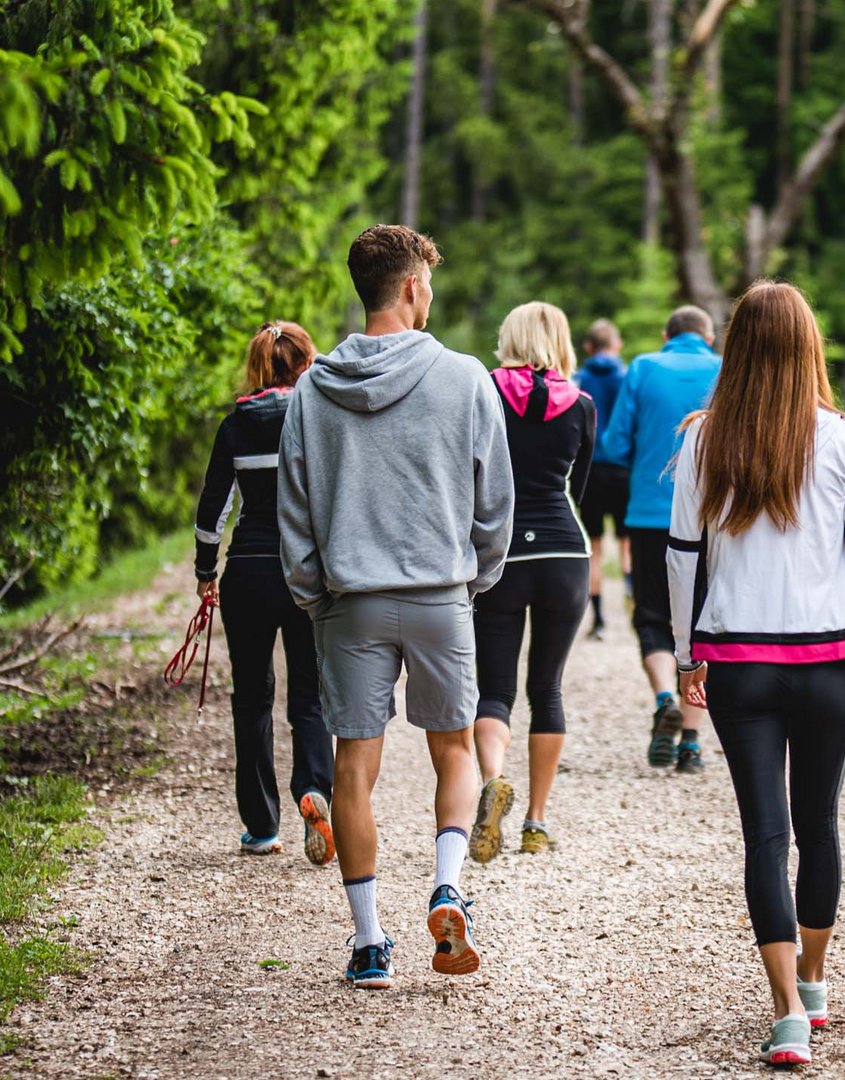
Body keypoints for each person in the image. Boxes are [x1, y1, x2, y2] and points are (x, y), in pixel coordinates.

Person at [668, 281, 845, 1068]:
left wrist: (685, 654)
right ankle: (814, 979)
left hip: (740, 663)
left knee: (765, 835)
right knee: (821, 823)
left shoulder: (702, 441)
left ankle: (785, 1016)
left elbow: (681, 561)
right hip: (830, 660)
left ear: (735, 347)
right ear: (810, 347)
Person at [278, 224, 514, 989]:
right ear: (412, 286)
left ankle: (370, 943)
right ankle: (448, 887)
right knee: (452, 749)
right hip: (441, 594)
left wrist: (317, 594)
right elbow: (495, 503)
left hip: (350, 601)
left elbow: (294, 508)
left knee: (355, 767)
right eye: (430, 283)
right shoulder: (466, 377)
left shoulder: (313, 389)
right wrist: (469, 579)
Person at [193, 321, 335, 864]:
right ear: (306, 363)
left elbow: (213, 511)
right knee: (310, 694)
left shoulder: (236, 424)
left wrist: (207, 569)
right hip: (304, 572)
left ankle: (260, 824)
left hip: (248, 572)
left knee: (252, 698)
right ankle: (313, 790)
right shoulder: (316, 417)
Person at [470, 302, 595, 860]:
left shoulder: (484, 393)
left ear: (509, 336)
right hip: (565, 553)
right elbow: (582, 486)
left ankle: (493, 780)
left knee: (494, 691)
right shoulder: (583, 405)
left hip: (500, 557)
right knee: (546, 690)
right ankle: (536, 822)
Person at [598, 305, 722, 771]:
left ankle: (665, 696)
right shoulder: (724, 369)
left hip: (650, 514)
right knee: (701, 622)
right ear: (707, 337)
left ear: (667, 335)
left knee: (652, 613)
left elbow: (613, 444)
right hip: (710, 518)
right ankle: (691, 742)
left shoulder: (644, 367)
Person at [573, 318, 631, 640]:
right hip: (622, 469)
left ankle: (599, 621)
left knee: (594, 548)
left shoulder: (579, 379)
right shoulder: (626, 377)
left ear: (588, 347)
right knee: (627, 546)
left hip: (590, 471)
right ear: (617, 345)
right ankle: (631, 609)